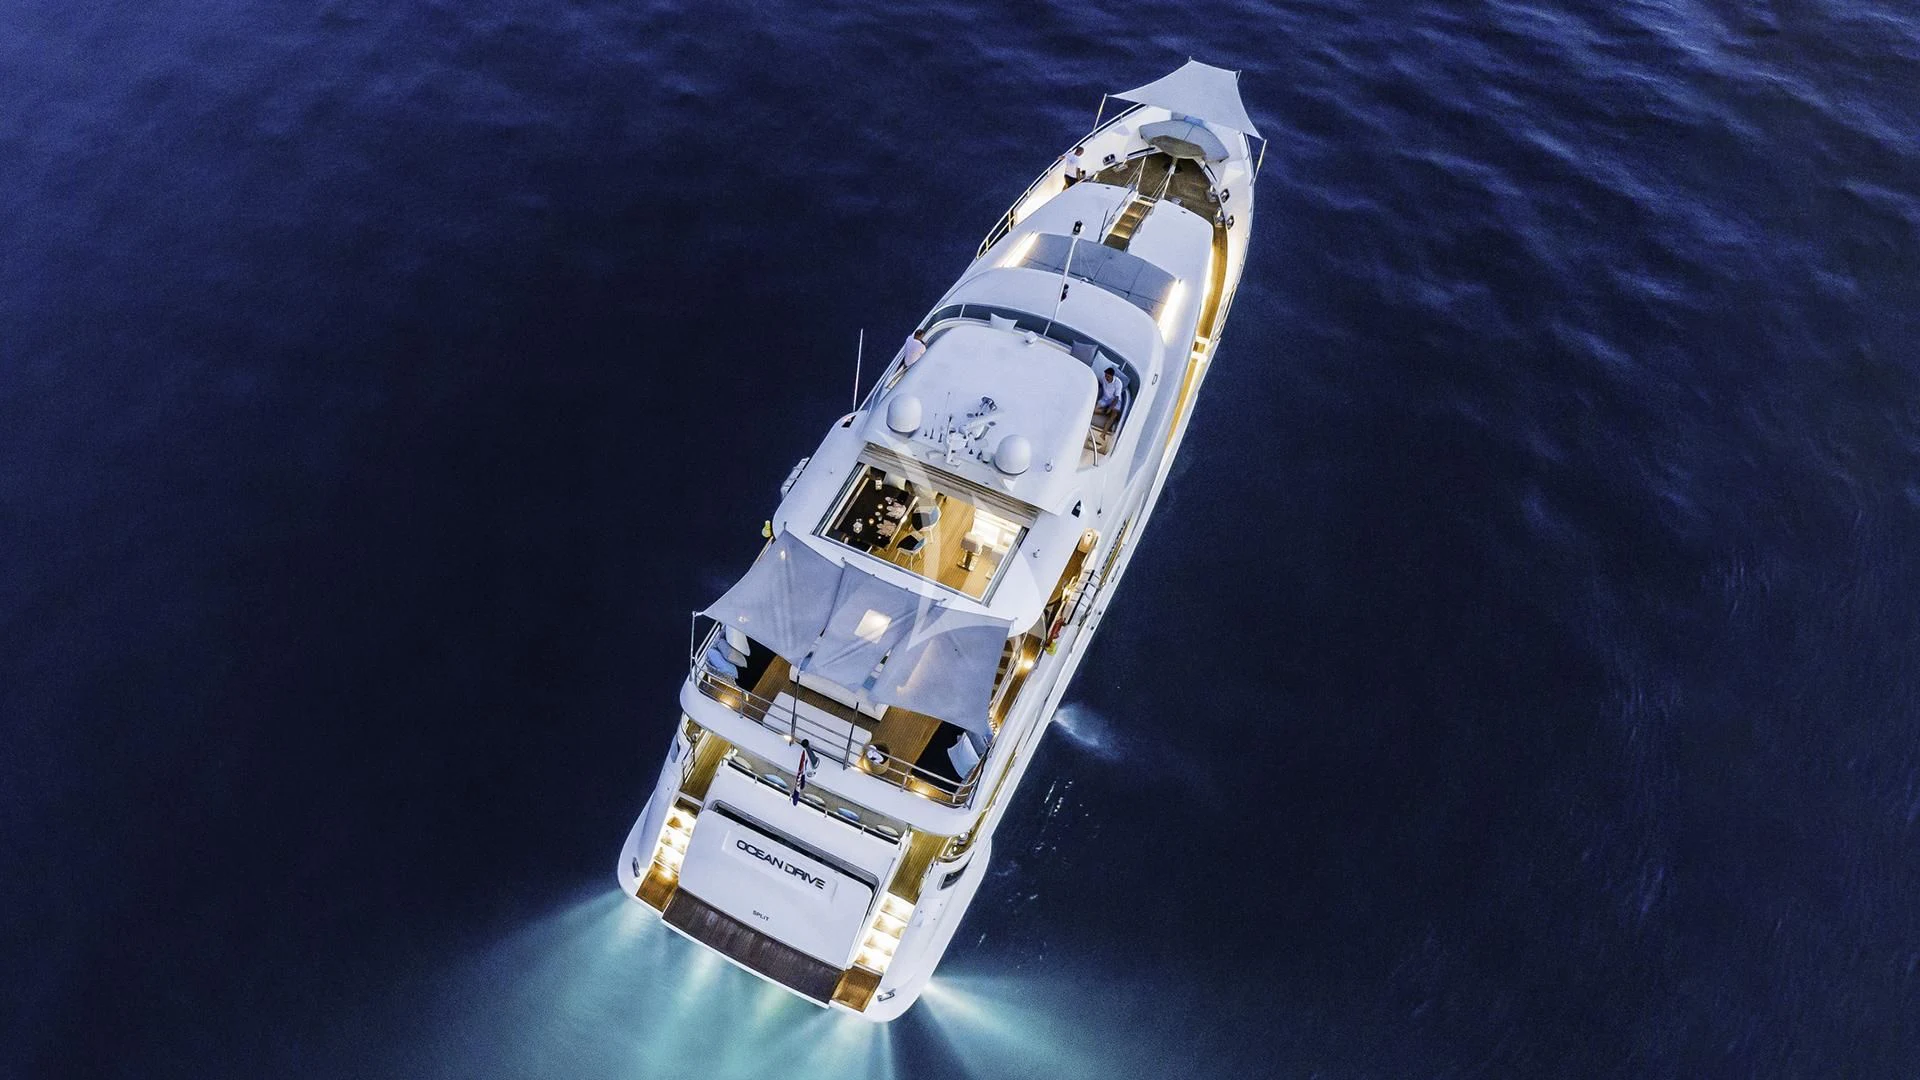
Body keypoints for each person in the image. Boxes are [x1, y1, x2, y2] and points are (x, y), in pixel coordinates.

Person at [790, 738, 820, 806]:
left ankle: (806, 747)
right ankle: (807, 747)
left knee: (813, 764)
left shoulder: (807, 768)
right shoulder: (812, 766)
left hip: (807, 763)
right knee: (814, 764)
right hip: (809, 764)